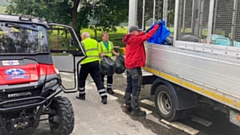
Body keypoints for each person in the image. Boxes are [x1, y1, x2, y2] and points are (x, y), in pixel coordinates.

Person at [122, 21, 161, 116]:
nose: (139, 32)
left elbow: (143, 34)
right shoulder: (135, 40)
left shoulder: (130, 39)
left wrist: (148, 29)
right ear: (133, 32)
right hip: (134, 66)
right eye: (137, 31)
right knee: (136, 87)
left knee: (129, 86)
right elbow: (147, 37)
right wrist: (156, 27)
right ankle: (135, 110)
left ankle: (127, 104)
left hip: (129, 66)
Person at [76, 32, 107, 104]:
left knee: (82, 79)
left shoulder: (82, 43)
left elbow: (79, 53)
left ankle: (82, 94)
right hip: (95, 63)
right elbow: (100, 53)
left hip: (86, 63)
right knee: (98, 80)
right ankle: (104, 96)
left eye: (82, 37)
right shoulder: (96, 42)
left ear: (84, 36)